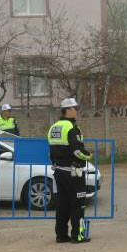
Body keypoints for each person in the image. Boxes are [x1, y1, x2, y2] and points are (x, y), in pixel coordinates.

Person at [47, 98, 93, 244]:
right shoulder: (71, 127)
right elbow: (77, 150)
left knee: (62, 205)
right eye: (75, 108)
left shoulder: (54, 127)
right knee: (77, 204)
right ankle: (77, 235)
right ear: (68, 110)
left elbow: (51, 150)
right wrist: (88, 155)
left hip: (59, 171)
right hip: (73, 172)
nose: (77, 110)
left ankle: (61, 235)